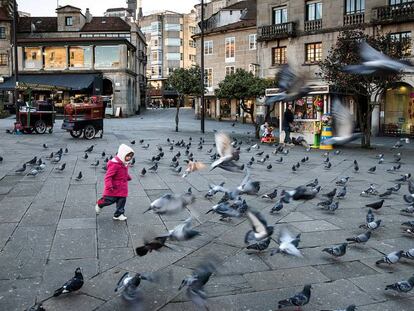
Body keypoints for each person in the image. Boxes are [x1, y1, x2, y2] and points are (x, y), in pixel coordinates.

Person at [95, 144, 135, 221]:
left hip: (122, 188)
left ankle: (118, 214)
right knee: (109, 200)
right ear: (122, 155)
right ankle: (100, 204)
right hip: (114, 187)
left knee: (122, 201)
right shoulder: (115, 165)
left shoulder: (124, 163)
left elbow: (123, 172)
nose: (129, 158)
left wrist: (127, 177)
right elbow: (108, 176)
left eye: (131, 156)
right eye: (128, 156)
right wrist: (109, 186)